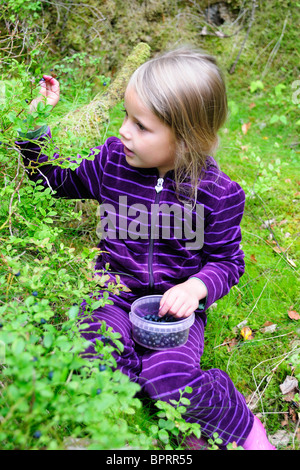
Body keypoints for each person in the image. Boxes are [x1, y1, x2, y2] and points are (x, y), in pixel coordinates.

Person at [17, 47, 275, 450]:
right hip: (112, 296)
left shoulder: (217, 194)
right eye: (125, 116)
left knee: (170, 373)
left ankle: (240, 426)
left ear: (187, 137)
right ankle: (157, 397)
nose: (123, 131)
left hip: (173, 315)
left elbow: (227, 261)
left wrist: (195, 288)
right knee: (90, 350)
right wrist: (34, 125)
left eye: (140, 125)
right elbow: (52, 179)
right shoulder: (110, 163)